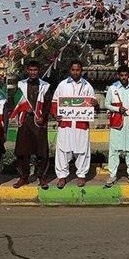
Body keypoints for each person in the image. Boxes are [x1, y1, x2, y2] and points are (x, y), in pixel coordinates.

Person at [51, 60, 97, 189]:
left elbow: (93, 104)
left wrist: (95, 104)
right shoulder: (62, 85)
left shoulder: (87, 86)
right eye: (73, 70)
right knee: (62, 150)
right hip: (65, 124)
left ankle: (81, 175)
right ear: (69, 70)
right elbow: (55, 102)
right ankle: (62, 176)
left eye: (78, 70)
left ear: (81, 71)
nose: (75, 72)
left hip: (81, 124)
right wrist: (56, 115)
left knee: (82, 150)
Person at [11, 60, 52, 189]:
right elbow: (15, 101)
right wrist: (23, 109)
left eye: (35, 70)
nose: (33, 72)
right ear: (27, 71)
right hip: (25, 121)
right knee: (22, 151)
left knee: (42, 151)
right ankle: (24, 177)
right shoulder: (21, 85)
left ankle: (42, 177)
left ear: (38, 71)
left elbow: (48, 103)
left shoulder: (45, 86)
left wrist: (43, 117)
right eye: (31, 70)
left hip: (39, 122)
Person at [104, 65, 129, 188]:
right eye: (121, 75)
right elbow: (106, 104)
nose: (124, 77)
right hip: (117, 122)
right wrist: (117, 109)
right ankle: (112, 175)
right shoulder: (112, 88)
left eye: (126, 75)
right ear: (118, 75)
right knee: (114, 150)